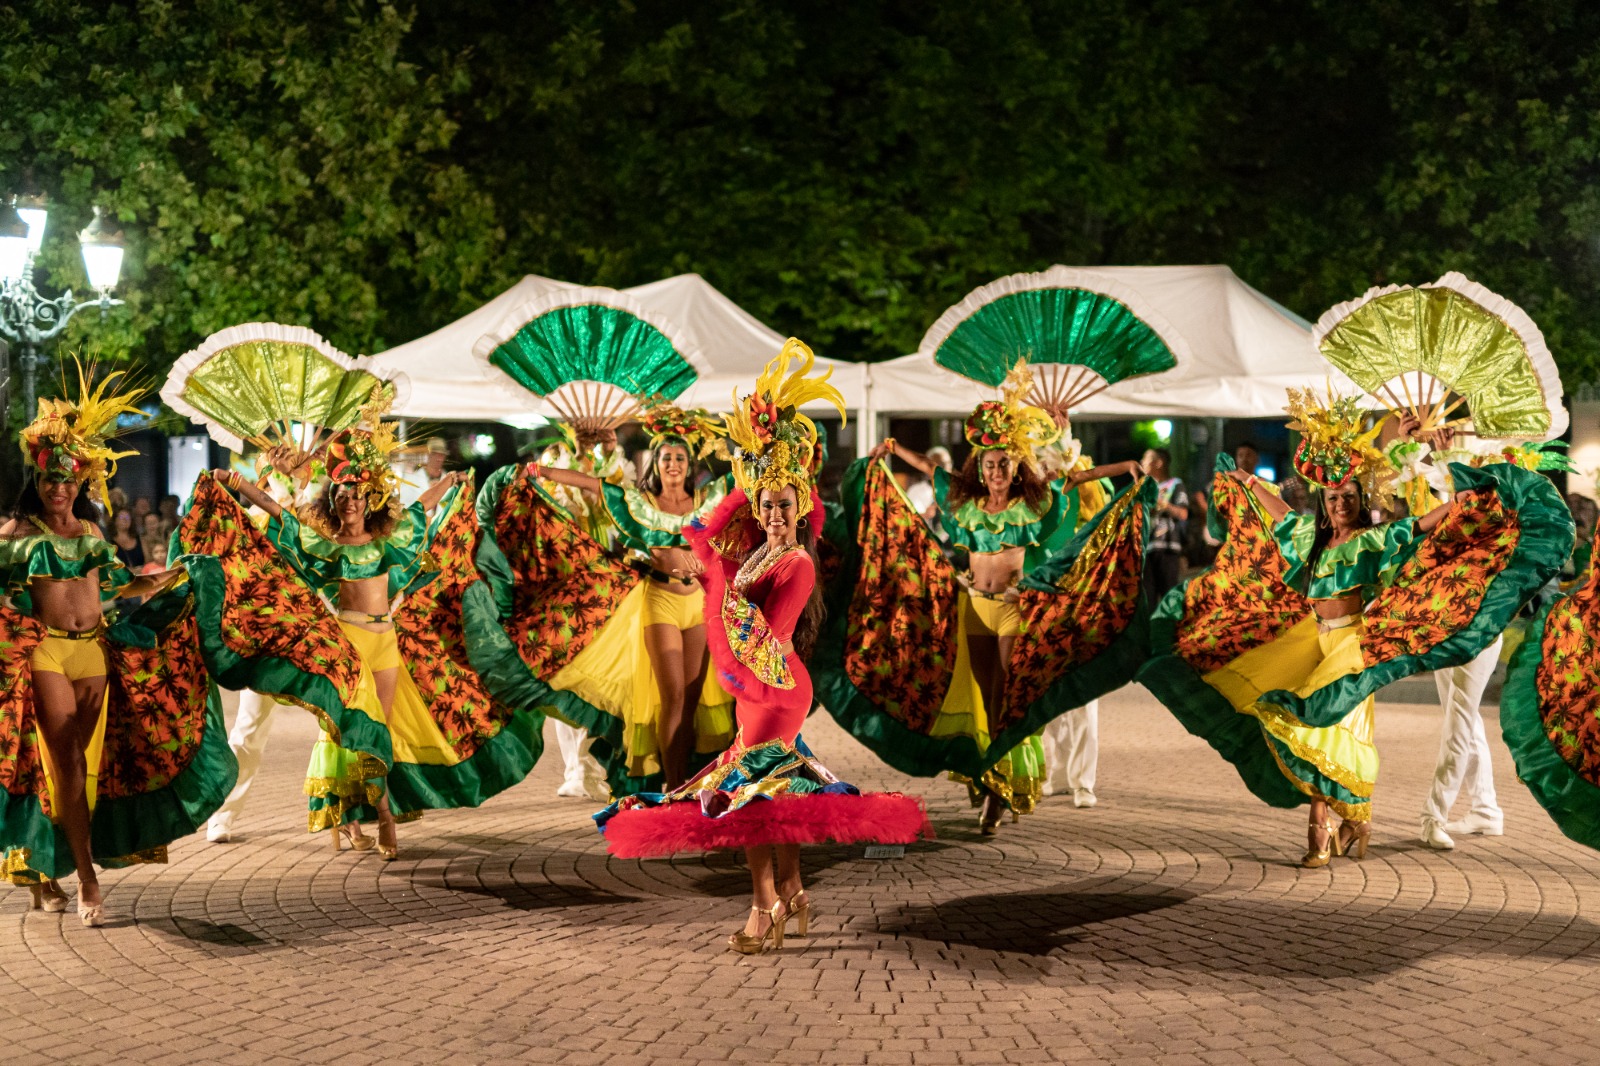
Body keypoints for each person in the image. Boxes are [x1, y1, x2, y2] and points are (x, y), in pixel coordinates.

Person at [1139, 388, 1570, 867]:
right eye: (1333, 497)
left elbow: (1424, 523)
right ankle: (1358, 819)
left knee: (1313, 714)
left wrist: (1462, 497)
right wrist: (1245, 478)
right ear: (1323, 503)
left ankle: (1320, 829)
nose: (1340, 503)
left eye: (1348, 497)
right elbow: (1276, 509)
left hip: (1352, 645)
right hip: (1315, 639)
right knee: (1279, 704)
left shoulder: (1373, 538)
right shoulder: (1308, 536)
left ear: (1357, 501)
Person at [594, 339, 929, 955]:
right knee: (775, 797)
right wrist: (744, 488)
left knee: (748, 797)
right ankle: (794, 893)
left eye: (783, 505)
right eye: (765, 505)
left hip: (773, 685)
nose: (773, 514)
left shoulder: (796, 561)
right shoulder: (761, 549)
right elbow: (698, 533)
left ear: (802, 509)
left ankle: (762, 905)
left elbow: (768, 638)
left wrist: (724, 588)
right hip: (758, 687)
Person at [836, 363, 1148, 835]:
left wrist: (1125, 468)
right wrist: (893, 449)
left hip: (1011, 608)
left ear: (1013, 466)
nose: (997, 470)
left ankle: (998, 794)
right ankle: (987, 777)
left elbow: (1072, 482)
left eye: (1004, 463)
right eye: (989, 464)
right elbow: (932, 470)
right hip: (972, 606)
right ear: (979, 468)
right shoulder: (967, 505)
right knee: (983, 699)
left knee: (1004, 696)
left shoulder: (1031, 503)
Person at [2, 369, 229, 925]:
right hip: (47, 654)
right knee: (68, 763)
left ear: (81, 483)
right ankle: (86, 878)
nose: (60, 487)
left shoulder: (92, 534)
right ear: (39, 478)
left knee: (86, 767)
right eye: (51, 478)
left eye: (69, 479)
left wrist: (168, 579)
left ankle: (44, 870)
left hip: (95, 651)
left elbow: (112, 589)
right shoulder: (16, 533)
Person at [526, 403, 729, 789]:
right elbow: (592, 485)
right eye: (666, 457)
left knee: (690, 699)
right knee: (671, 696)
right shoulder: (642, 503)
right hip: (660, 600)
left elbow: (747, 480)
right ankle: (672, 785)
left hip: (698, 604)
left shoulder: (707, 501)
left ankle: (684, 778)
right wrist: (543, 471)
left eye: (680, 457)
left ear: (689, 464)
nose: (673, 464)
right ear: (656, 464)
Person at [1142, 447, 1188, 606]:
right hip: (1147, 549)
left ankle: (1171, 630)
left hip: (1168, 548)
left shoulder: (1175, 484)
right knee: (1148, 599)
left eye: (1145, 459)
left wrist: (1163, 505)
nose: (1142, 463)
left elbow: (1183, 514)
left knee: (1169, 597)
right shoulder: (1144, 487)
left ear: (1158, 463)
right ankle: (1151, 630)